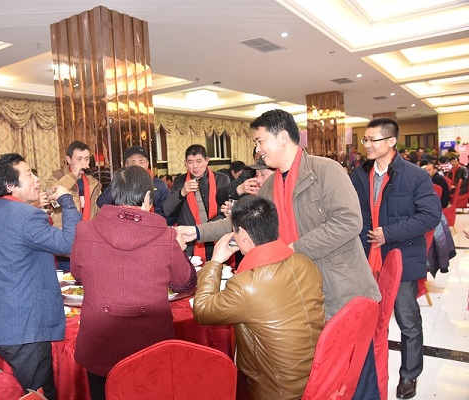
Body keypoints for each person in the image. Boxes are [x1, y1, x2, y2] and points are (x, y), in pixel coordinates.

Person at [180, 110, 381, 319]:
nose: (258, 150)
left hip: (341, 288)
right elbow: (241, 220)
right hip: (301, 289)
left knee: (349, 341)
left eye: (260, 141)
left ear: (283, 137)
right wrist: (196, 232)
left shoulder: (325, 170)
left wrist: (294, 249)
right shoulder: (269, 185)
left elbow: (348, 222)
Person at [0, 153, 81, 399]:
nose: (37, 180)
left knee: (26, 384)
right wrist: (67, 201)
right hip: (23, 324)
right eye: (29, 175)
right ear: (10, 185)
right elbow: (70, 244)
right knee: (39, 392)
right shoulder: (26, 217)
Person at [71, 165, 196, 400]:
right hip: (150, 345)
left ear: (115, 194)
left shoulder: (84, 230)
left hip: (100, 344)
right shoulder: (166, 236)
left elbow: (78, 276)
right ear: (148, 197)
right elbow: (185, 283)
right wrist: (180, 250)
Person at [193, 196, 325, 399]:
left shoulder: (246, 285)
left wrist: (215, 261)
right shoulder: (305, 262)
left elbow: (201, 310)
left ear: (244, 235)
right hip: (317, 375)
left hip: (276, 389)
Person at [351, 118, 441, 399]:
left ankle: (409, 375)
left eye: (372, 140)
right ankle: (363, 372)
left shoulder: (415, 176)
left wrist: (388, 234)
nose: (366, 145)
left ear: (391, 141)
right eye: (365, 140)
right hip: (364, 258)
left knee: (407, 320)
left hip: (400, 257)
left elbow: (430, 216)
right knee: (363, 318)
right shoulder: (359, 175)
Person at [163, 145, 230, 261]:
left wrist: (205, 229)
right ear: (185, 163)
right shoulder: (180, 181)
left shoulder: (222, 179)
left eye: (199, 161)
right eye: (190, 162)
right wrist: (182, 192)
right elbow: (167, 210)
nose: (195, 166)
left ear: (207, 160)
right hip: (190, 242)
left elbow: (227, 210)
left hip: (217, 236)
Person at [96, 146, 171, 224]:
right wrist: (119, 183)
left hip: (153, 225)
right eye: (133, 163)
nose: (138, 166)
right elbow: (101, 203)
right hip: (124, 226)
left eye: (141, 162)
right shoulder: (120, 183)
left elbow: (168, 211)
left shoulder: (159, 185)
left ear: (147, 163)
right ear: (126, 165)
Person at [46, 140, 101, 225]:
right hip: (64, 228)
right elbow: (50, 197)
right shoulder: (57, 177)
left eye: (86, 159)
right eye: (79, 159)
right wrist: (73, 175)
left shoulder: (93, 182)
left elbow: (98, 209)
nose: (83, 163)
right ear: (69, 160)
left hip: (88, 227)